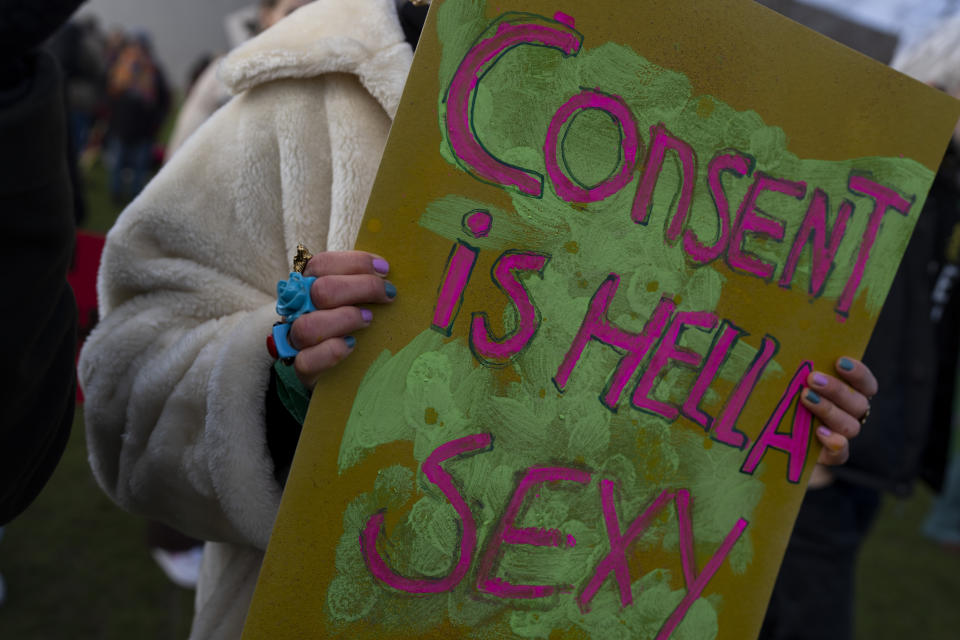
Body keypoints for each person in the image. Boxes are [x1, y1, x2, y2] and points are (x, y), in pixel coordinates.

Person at [77, 1, 875, 637]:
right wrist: (274, 382)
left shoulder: (706, 154)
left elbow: (676, 406)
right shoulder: (306, 99)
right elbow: (127, 380)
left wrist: (783, 405)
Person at [165, 0, 315, 160]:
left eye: (313, 11)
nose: (304, 20)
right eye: (292, 13)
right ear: (267, 16)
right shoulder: (228, 71)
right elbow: (183, 146)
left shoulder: (327, 71)